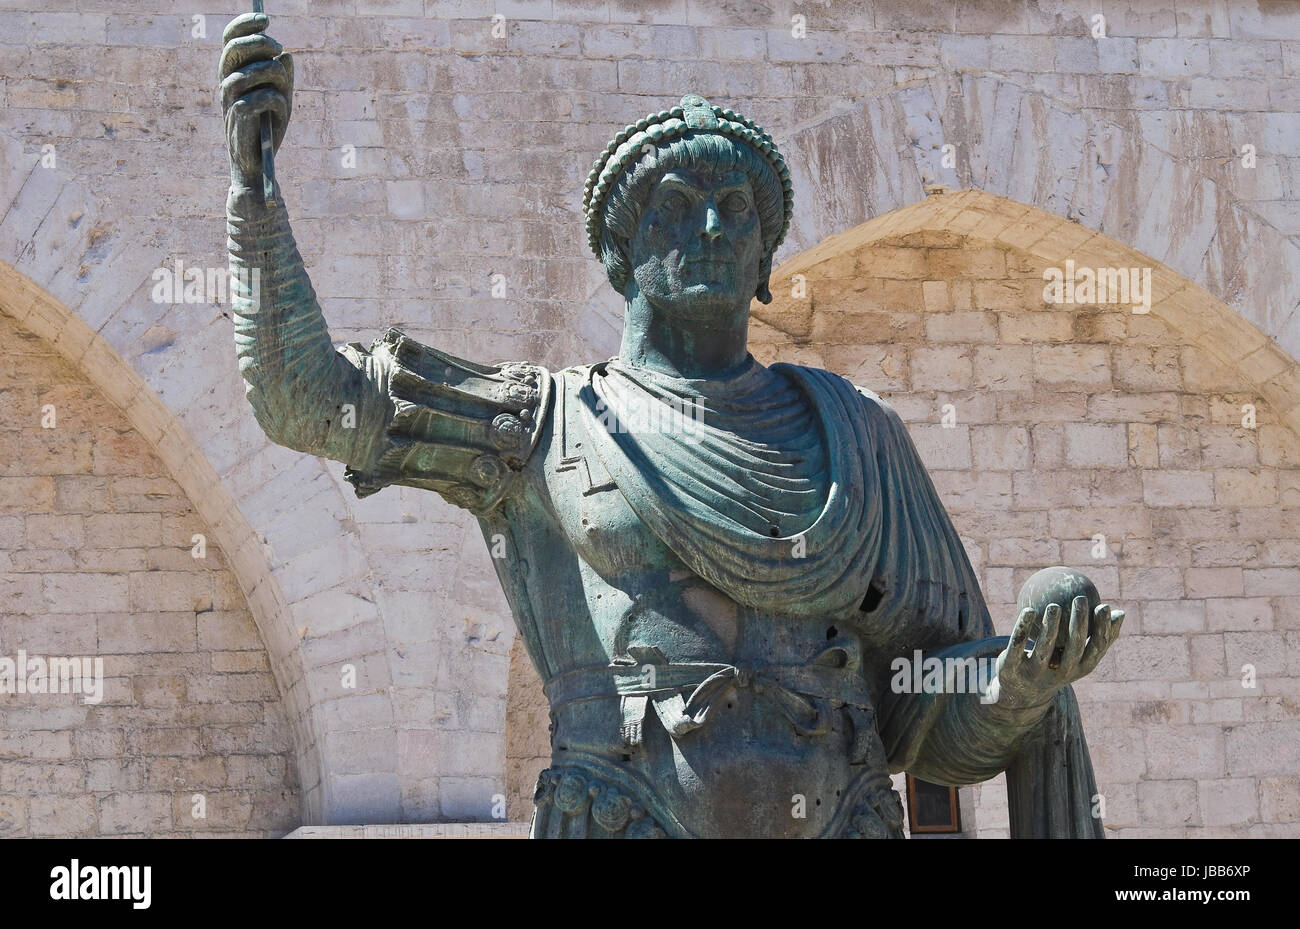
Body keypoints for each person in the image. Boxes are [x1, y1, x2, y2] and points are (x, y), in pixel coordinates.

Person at [220, 12, 1124, 838]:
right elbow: (303, 397)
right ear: (620, 252)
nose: (712, 228)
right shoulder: (539, 423)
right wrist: (255, 188)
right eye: (676, 205)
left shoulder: (861, 440)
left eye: (737, 213)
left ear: (767, 258)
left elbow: (923, 724)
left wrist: (1018, 683)